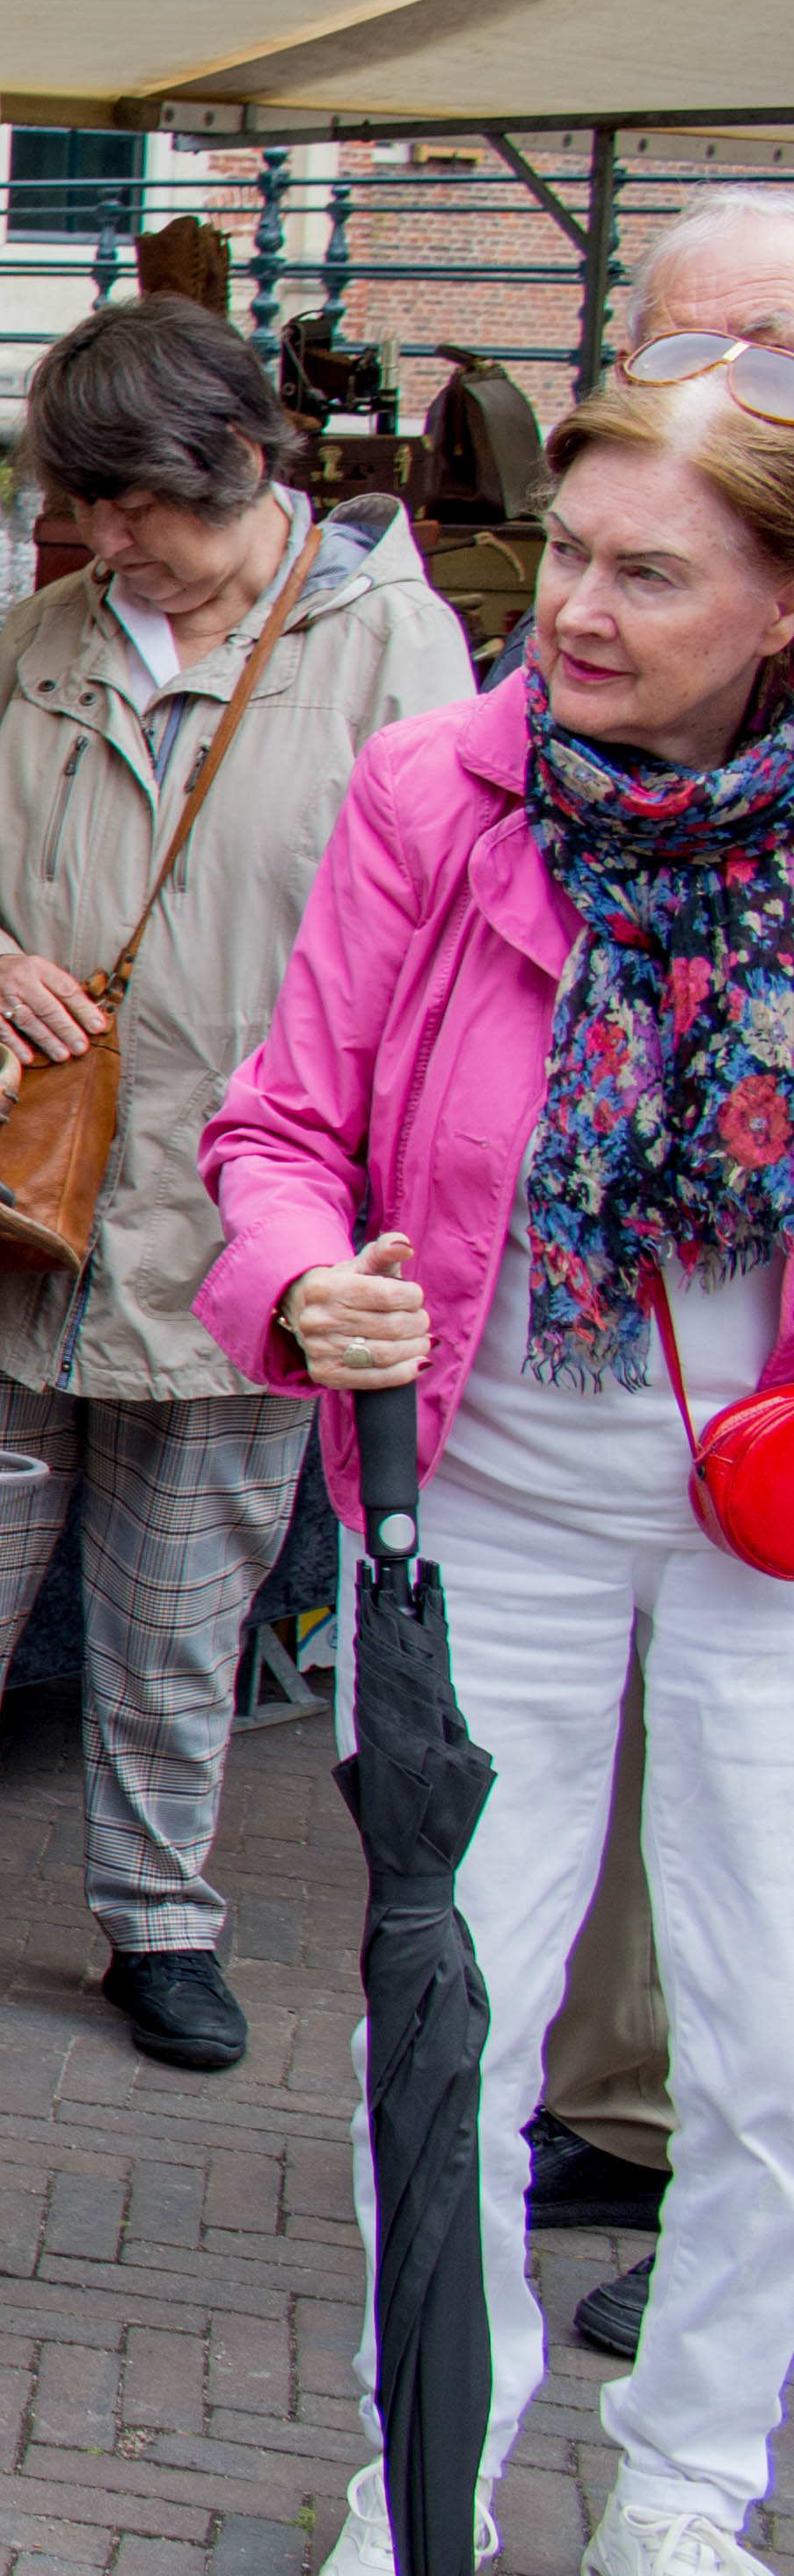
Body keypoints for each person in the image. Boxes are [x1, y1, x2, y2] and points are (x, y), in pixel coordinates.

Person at [203, 337, 794, 2576]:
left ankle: (691, 2497)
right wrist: (290, 1277)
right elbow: (277, 1124)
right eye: (564, 549)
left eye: (648, 573)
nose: (576, 604)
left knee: (774, 2045)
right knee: (456, 2021)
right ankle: (424, 2462)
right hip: (489, 1500)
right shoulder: (430, 799)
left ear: (778, 603)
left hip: (770, 1518)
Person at [0, 297, 469, 2067]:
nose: (110, 541)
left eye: (146, 507)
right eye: (87, 506)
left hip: (246, 1231)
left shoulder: (388, 652)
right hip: (18, 1210)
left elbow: (449, 941)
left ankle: (161, 1920)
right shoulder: (55, 630)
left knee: (180, 1607)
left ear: (243, 460)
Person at [533, 193, 794, 2372]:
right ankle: (638, 2127)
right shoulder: (481, 790)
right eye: (668, 338)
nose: (696, 381)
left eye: (749, 349)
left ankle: (711, 2440)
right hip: (588, 1437)